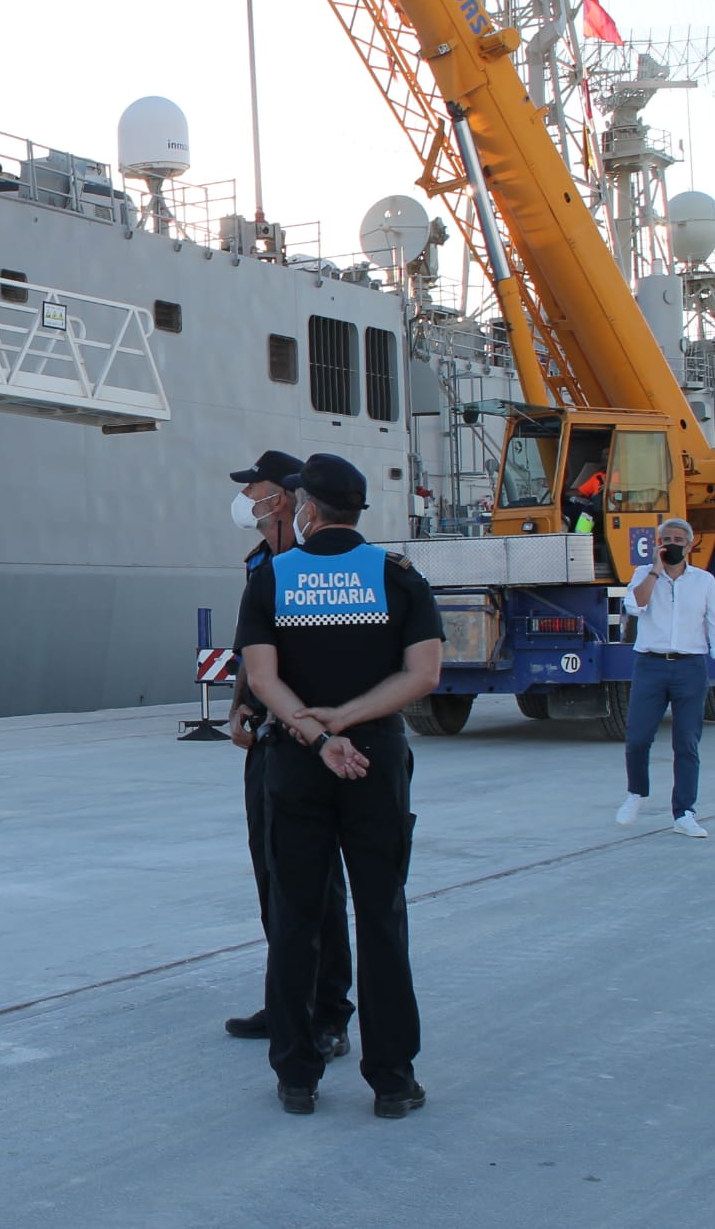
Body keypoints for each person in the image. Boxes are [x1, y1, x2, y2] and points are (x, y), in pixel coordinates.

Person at [235, 453, 443, 1119]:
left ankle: (297, 1074)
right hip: (375, 759)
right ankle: (391, 1079)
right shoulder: (397, 577)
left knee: (296, 914)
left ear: (309, 509)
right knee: (381, 914)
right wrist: (350, 722)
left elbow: (262, 678)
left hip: (298, 761)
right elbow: (426, 674)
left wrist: (317, 735)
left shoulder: (272, 578)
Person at [224, 450, 354, 1063]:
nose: (249, 500)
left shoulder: (317, 568)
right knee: (273, 875)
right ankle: (286, 1001)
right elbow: (253, 650)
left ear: (289, 499)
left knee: (320, 885)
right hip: (272, 742)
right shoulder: (262, 565)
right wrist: (240, 707)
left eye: (258, 490)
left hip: (320, 742)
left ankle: (328, 1012)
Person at [617, 517, 715, 838]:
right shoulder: (644, 575)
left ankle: (684, 812)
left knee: (686, 742)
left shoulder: (704, 581)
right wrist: (655, 569)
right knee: (638, 737)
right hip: (650, 665)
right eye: (666, 539)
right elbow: (635, 605)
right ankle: (636, 793)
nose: (671, 544)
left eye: (678, 540)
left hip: (689, 667)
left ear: (690, 545)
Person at [565, 449, 608, 533]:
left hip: (609, 507)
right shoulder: (598, 476)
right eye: (603, 455)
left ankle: (580, 538)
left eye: (607, 454)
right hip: (596, 504)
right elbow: (581, 491)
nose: (604, 458)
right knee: (567, 509)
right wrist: (561, 493)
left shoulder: (621, 475)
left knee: (588, 511)